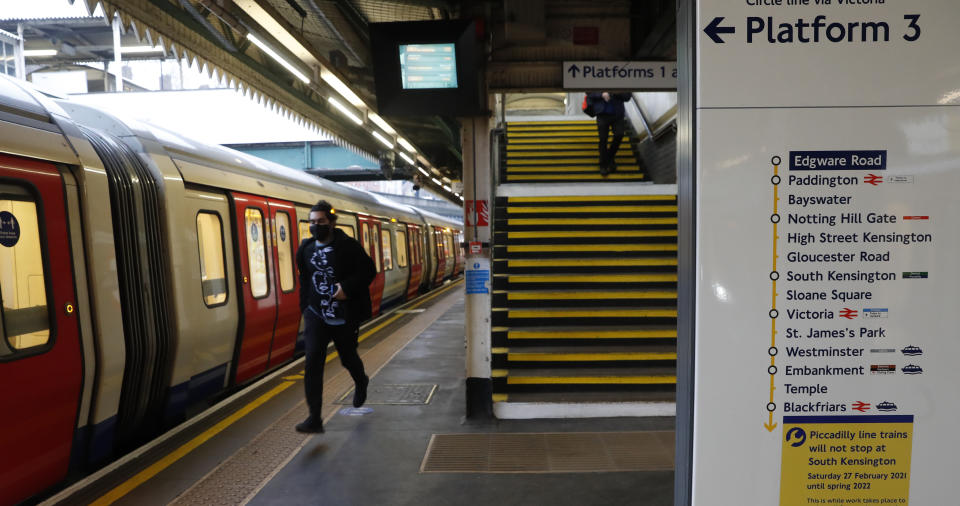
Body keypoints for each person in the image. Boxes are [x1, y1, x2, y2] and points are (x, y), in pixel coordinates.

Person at [294, 200, 377, 433]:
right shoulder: (306, 249)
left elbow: (369, 271)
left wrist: (347, 289)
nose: (315, 226)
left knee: (347, 357)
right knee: (312, 363)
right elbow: (305, 279)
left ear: (331, 222)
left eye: (320, 221)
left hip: (343, 314)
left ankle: (361, 381)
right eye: (311, 222)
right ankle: (314, 418)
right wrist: (305, 307)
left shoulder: (349, 246)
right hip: (316, 314)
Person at [587, 91, 632, 176]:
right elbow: (589, 93)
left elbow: (627, 96)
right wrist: (601, 94)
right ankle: (603, 165)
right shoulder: (596, 79)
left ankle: (609, 157)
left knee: (619, 134)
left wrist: (614, 93)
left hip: (617, 114)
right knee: (603, 139)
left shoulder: (621, 81)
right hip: (602, 114)